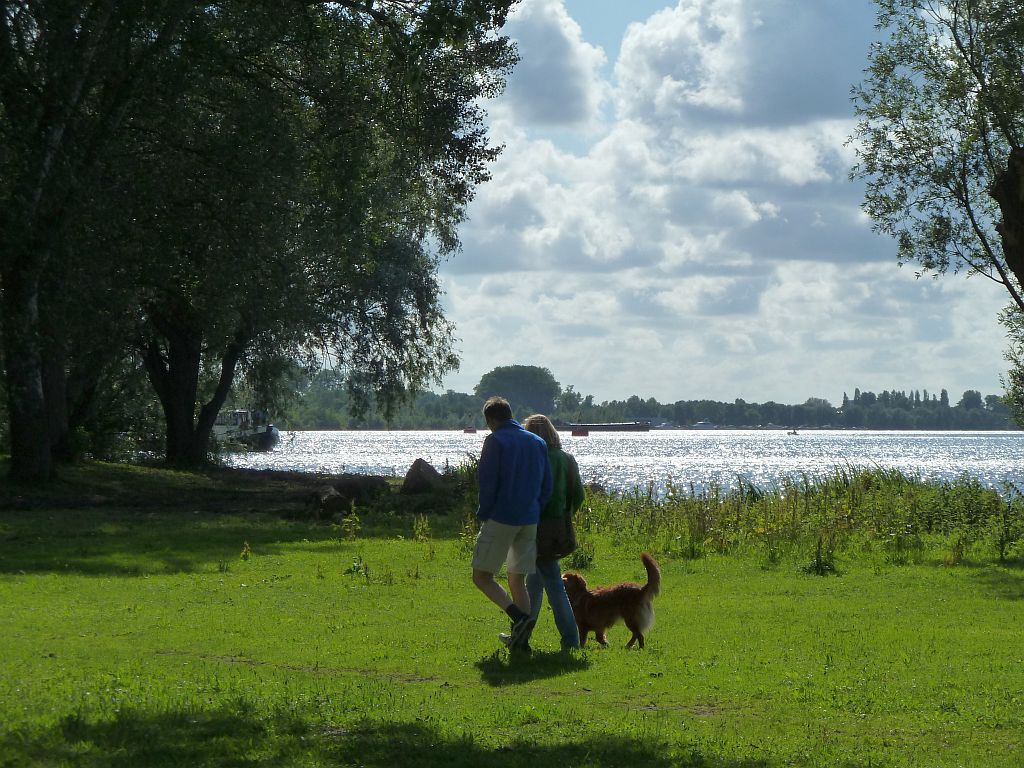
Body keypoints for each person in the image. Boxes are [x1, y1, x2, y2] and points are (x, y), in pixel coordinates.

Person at [471, 396, 553, 652]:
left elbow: (488, 482)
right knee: (517, 579)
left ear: (491, 420)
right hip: (529, 518)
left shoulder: (495, 440)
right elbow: (546, 484)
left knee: (482, 576)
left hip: (502, 517)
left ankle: (519, 619)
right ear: (510, 414)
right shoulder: (537, 442)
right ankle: (522, 643)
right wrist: (535, 508)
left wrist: (484, 513)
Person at [515, 414, 584, 651]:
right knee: (534, 584)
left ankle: (571, 640)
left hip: (536, 529)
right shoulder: (567, 459)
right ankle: (521, 636)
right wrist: (565, 515)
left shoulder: (534, 460)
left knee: (554, 585)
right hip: (560, 530)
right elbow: (579, 496)